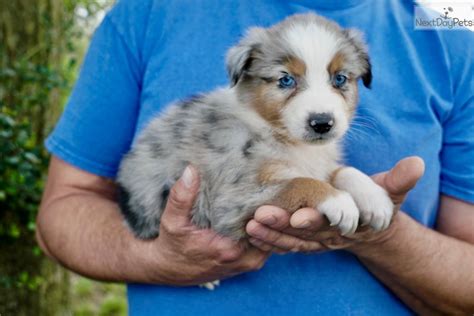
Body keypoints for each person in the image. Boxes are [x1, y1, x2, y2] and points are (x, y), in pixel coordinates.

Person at [36, 0, 474, 314]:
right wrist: (157, 259)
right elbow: (61, 211)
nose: (321, 109)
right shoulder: (145, 12)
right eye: (286, 81)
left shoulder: (450, 33)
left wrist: (381, 236)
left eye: (341, 80)